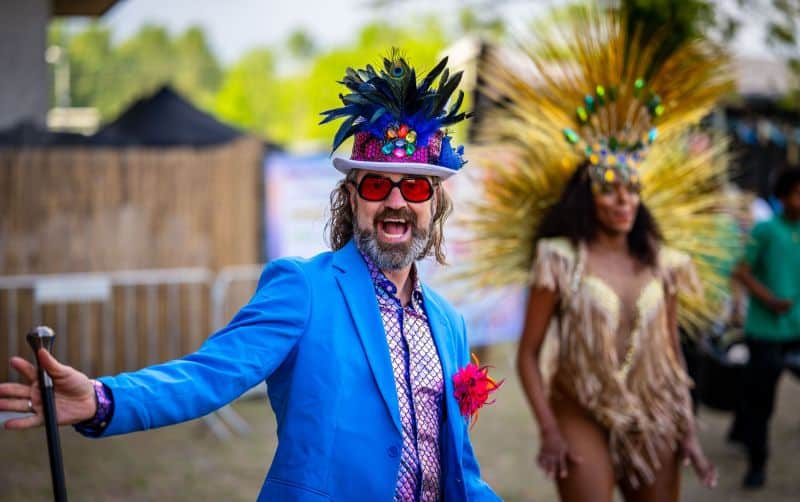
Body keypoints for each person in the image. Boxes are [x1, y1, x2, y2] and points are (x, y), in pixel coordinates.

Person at [0, 52, 500, 502]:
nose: (395, 202)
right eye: (376, 184)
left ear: (434, 203)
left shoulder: (449, 324)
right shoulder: (305, 290)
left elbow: (461, 472)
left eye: (413, 187)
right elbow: (208, 375)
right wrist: (102, 400)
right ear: (352, 198)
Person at [461, 6, 734, 501]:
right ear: (588, 197)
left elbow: (672, 356)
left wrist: (686, 428)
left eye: (631, 189)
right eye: (609, 189)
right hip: (579, 406)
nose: (623, 199)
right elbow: (528, 355)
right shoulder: (559, 259)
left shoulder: (661, 263)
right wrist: (548, 428)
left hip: (650, 411)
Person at [728, 168, 800, 489]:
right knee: (762, 404)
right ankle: (757, 464)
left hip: (796, 330)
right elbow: (741, 271)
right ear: (783, 196)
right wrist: (768, 299)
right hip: (766, 332)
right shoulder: (766, 230)